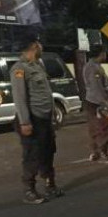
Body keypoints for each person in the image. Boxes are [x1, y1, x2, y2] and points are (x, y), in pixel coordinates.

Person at [9, 31, 65, 205]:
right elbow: (20, 97)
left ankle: (50, 184)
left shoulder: (38, 65)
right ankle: (29, 190)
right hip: (32, 119)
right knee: (32, 155)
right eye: (39, 44)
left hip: (45, 118)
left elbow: (45, 92)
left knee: (48, 151)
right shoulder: (19, 69)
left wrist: (52, 115)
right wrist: (25, 122)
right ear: (34, 46)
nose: (41, 47)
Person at [82, 44, 108, 163]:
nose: (105, 55)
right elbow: (97, 88)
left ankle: (96, 153)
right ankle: (102, 152)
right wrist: (103, 105)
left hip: (93, 102)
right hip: (97, 103)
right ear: (100, 54)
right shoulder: (93, 68)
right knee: (102, 128)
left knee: (95, 128)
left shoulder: (94, 66)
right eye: (104, 53)